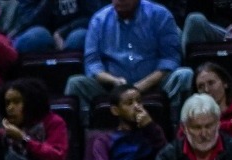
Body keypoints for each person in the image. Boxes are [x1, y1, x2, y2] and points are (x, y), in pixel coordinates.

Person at [64, 0, 192, 107]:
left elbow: (170, 59)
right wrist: (114, 81)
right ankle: (86, 135)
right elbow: (92, 63)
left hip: (155, 84)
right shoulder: (98, 20)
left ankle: (179, 130)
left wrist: (142, 86)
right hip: (112, 88)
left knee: (184, 75)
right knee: (76, 83)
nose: (120, 1)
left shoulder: (160, 15)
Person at [75, 83, 167, 160]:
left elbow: (165, 157)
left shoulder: (150, 133)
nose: (137, 107)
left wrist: (150, 126)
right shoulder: (104, 139)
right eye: (129, 103)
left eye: (139, 101)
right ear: (115, 110)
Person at [0, 78, 67, 160]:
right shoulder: (4, 132)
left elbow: (56, 159)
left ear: (31, 102)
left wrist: (24, 139)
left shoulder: (53, 122)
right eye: (7, 103)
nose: (10, 108)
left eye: (16, 102)